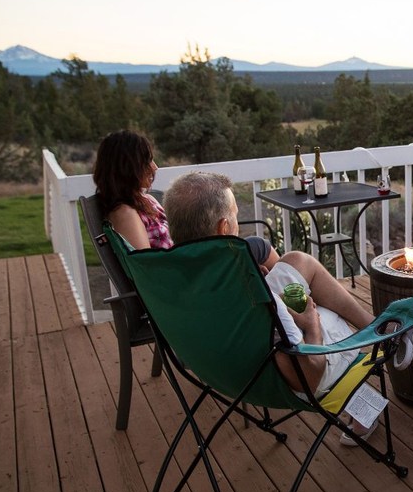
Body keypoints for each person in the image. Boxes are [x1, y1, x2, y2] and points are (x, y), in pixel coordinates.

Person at [161, 171, 377, 444]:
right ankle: (370, 379)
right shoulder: (254, 296)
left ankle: (372, 323)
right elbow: (309, 378)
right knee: (327, 311)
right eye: (235, 214)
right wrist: (312, 325)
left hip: (220, 369)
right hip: (285, 378)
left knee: (298, 261)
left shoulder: (169, 279)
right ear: (223, 228)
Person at [92, 129, 280, 269]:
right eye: (147, 161)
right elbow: (147, 271)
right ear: (127, 167)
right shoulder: (125, 214)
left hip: (189, 264)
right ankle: (295, 306)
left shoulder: (143, 200)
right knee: (259, 246)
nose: (155, 167)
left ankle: (283, 304)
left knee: (257, 252)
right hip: (186, 276)